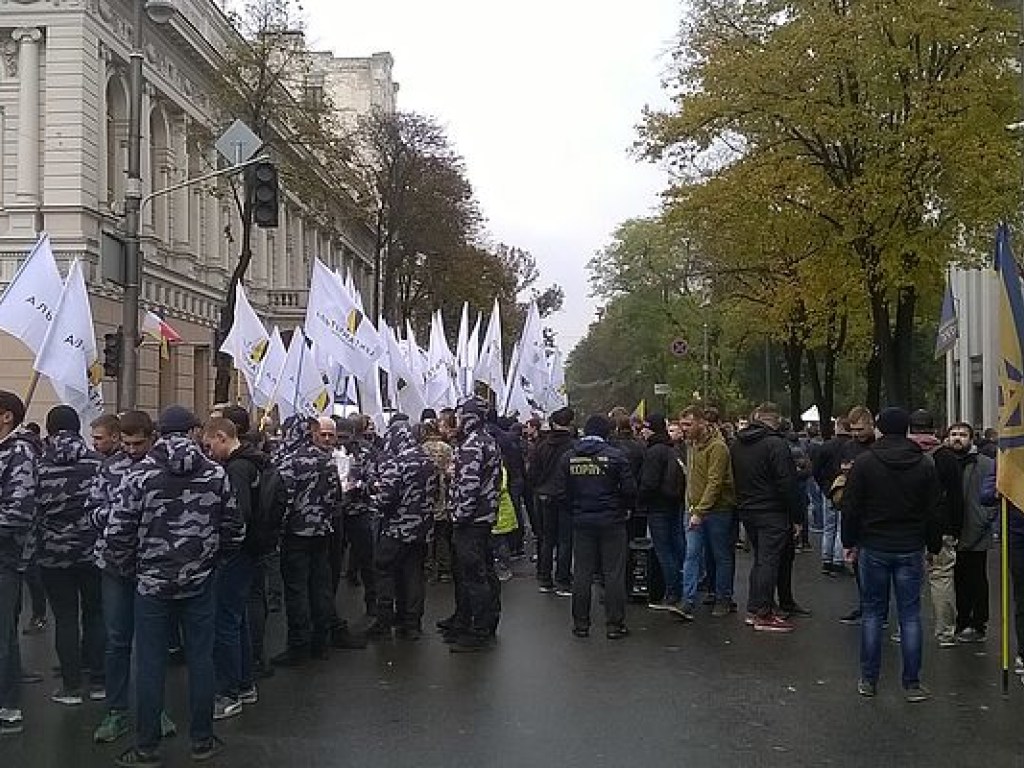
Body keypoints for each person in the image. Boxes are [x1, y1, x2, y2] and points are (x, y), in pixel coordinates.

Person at [107, 405, 244, 765]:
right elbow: (234, 529)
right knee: (201, 659)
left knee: (150, 663)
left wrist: (131, 569)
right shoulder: (215, 473)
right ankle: (202, 740)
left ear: (159, 432)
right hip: (199, 581)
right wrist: (212, 562)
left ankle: (146, 746)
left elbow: (117, 531)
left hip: (151, 583)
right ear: (193, 431)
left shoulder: (139, 474)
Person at [841, 407, 940, 702]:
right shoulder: (924, 465)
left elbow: (851, 507)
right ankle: (911, 683)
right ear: (908, 429)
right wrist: (932, 547)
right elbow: (934, 511)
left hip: (874, 545)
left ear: (881, 429)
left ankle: (869, 680)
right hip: (910, 545)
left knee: (872, 613)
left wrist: (849, 542)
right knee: (910, 616)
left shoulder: (865, 463)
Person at [89, 411, 171, 744]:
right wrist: (123, 513)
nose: (133, 450)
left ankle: (154, 709)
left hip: (153, 566)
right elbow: (93, 510)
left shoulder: (166, 467)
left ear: (151, 437)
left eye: (139, 443)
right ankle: (117, 710)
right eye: (127, 443)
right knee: (117, 640)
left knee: (151, 645)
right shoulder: (109, 468)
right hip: (115, 565)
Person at [273, 416, 363, 667]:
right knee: (320, 588)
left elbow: (285, 501)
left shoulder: (290, 462)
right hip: (322, 532)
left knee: (297, 590)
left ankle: (299, 646)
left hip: (297, 534)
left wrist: (280, 530)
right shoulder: (325, 461)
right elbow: (336, 497)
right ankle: (320, 642)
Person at [36, 406, 105, 706]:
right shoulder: (98, 463)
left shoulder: (38, 465)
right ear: (79, 428)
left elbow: (31, 509)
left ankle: (71, 686)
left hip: (53, 554)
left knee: (64, 617)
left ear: (49, 430)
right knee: (96, 614)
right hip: (92, 551)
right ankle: (100, 679)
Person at [562, 415, 636, 639]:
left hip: (582, 520)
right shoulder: (616, 456)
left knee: (582, 572)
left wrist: (574, 510)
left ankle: (581, 624)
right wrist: (624, 508)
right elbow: (630, 489)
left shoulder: (569, 457)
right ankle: (614, 625)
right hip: (612, 520)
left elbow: (563, 491)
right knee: (613, 573)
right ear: (607, 433)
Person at [730, 402, 802, 633]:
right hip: (772, 510)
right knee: (769, 561)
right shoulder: (776, 445)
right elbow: (787, 483)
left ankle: (755, 608)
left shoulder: (737, 444)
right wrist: (797, 516)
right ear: (776, 420)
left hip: (748, 508)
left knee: (761, 560)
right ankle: (762, 611)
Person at [366, 421, 437, 640]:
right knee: (414, 574)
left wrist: (371, 495)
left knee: (384, 570)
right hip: (421, 529)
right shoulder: (428, 461)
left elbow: (385, 499)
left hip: (397, 529)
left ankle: (384, 621)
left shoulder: (397, 463)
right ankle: (412, 623)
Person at [443, 397, 502, 652]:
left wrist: (458, 515)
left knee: (473, 574)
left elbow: (468, 486)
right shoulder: (484, 440)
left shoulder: (472, 445)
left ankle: (478, 629)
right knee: (481, 571)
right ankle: (469, 620)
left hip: (472, 520)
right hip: (483, 517)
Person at [907, 409, 960, 648]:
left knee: (908, 579)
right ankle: (945, 631)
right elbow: (956, 497)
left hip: (908, 526)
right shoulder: (946, 457)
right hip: (942, 525)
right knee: (942, 577)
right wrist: (956, 528)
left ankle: (906, 628)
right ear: (934, 428)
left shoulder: (903, 454)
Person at [0, 392, 36, 736]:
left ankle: (7, 707)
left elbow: (18, 512)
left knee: (2, 635)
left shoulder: (19, 453)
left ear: (7, 416)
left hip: (5, 556)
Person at [679, 405, 737, 618]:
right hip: (695, 508)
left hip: (718, 510)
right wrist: (690, 506)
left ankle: (723, 597)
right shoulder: (691, 446)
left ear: (701, 423)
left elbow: (715, 482)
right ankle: (688, 600)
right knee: (692, 554)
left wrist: (700, 511)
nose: (684, 429)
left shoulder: (718, 448)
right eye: (682, 424)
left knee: (720, 554)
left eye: (688, 424)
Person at [946, 423, 997, 643]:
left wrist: (984, 520)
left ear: (971, 438)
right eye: (954, 434)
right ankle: (961, 620)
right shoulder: (943, 462)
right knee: (957, 578)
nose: (958, 438)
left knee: (976, 578)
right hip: (951, 531)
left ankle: (978, 622)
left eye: (963, 435)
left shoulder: (985, 464)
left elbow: (994, 495)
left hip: (976, 531)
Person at [639, 414, 687, 617]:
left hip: (657, 505)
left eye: (645, 427)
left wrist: (640, 500)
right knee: (677, 546)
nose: (642, 431)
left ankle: (672, 592)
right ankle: (684, 587)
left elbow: (649, 482)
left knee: (663, 550)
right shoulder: (672, 449)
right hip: (674, 502)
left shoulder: (654, 451)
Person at [531, 407, 577, 595]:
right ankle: (563, 580)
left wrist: (540, 486)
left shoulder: (541, 446)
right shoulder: (574, 447)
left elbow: (532, 473)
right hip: (566, 496)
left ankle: (544, 577)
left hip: (544, 495)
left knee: (546, 538)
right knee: (565, 540)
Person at [813, 417, 851, 576]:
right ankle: (838, 560)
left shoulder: (826, 447)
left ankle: (826, 559)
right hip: (846, 489)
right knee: (841, 526)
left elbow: (816, 470)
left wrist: (823, 486)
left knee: (829, 526)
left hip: (828, 490)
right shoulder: (851, 447)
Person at [421, 420, 454, 583]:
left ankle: (428, 568)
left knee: (428, 535)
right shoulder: (446, 448)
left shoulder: (422, 449)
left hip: (426, 494)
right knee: (442, 535)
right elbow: (451, 470)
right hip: (443, 493)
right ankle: (445, 568)